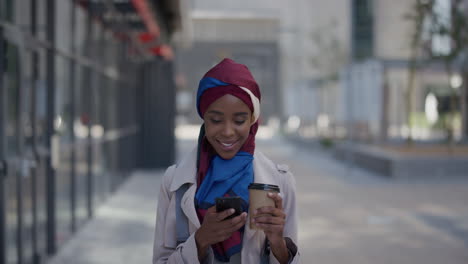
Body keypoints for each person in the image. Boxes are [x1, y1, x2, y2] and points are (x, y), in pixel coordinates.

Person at [152, 58, 300, 264]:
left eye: (239, 120)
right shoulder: (174, 183)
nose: (228, 132)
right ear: (204, 118)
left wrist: (278, 245)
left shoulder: (281, 182)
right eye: (216, 120)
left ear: (252, 120)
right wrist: (200, 240)